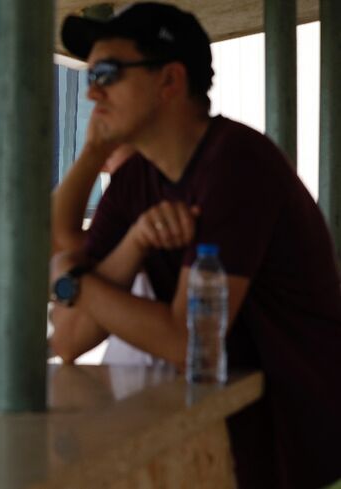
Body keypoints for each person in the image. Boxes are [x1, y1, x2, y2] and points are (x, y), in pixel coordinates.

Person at [48, 3, 341, 488]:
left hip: (291, 443)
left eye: (107, 73)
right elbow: (69, 338)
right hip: (214, 443)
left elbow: (187, 342)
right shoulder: (135, 181)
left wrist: (71, 277)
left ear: (169, 81)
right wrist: (109, 244)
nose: (92, 91)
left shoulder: (238, 165)